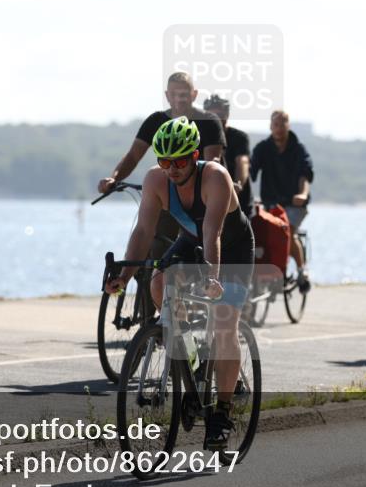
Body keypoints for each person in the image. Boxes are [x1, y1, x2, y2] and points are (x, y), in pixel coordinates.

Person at [104, 117, 254, 450]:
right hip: (190, 240)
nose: (172, 169)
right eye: (165, 161)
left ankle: (222, 414)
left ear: (195, 155)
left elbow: (213, 233)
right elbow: (144, 231)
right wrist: (124, 277)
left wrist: (212, 277)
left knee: (224, 325)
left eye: (180, 162)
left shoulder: (215, 176)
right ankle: (193, 360)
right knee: (158, 284)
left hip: (231, 248)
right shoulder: (156, 180)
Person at [98, 71, 226, 258]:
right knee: (156, 243)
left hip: (200, 194)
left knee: (205, 242)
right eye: (174, 94)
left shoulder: (209, 122)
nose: (179, 99)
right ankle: (150, 274)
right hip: (170, 190)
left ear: (194, 95)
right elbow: (133, 156)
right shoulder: (156, 121)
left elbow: (212, 161)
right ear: (167, 96)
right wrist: (114, 178)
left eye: (184, 94)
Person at [249, 110, 313, 293]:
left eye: (282, 124)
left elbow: (305, 175)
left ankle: (301, 272)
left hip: (294, 204)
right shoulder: (263, 148)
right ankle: (264, 274)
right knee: (258, 232)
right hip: (270, 203)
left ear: (288, 126)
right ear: (271, 126)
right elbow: (250, 171)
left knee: (287, 231)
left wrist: (303, 194)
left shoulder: (298, 149)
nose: (279, 128)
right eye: (275, 124)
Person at [203, 94, 252, 216]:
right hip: (209, 201)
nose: (216, 119)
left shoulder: (239, 137)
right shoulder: (199, 138)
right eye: (211, 115)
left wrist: (238, 184)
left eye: (219, 115)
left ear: (227, 114)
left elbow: (243, 162)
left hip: (239, 202)